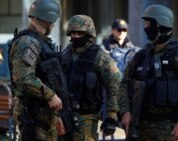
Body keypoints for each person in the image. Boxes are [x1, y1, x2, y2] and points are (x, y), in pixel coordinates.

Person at [118, 4, 178, 141]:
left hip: (170, 128)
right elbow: (124, 84)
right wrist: (125, 112)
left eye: (148, 23)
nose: (145, 27)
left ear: (160, 25)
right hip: (141, 127)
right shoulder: (141, 55)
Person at [8, 0, 65, 140]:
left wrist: (56, 115)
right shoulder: (28, 42)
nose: (52, 25)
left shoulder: (41, 42)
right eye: (52, 22)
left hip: (44, 114)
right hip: (33, 113)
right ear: (48, 21)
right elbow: (24, 78)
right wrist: (50, 96)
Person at [61, 15, 121, 141]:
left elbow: (114, 84)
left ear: (88, 35)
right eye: (73, 33)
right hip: (63, 116)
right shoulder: (65, 55)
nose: (76, 36)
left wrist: (111, 115)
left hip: (87, 119)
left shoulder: (99, 57)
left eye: (79, 33)